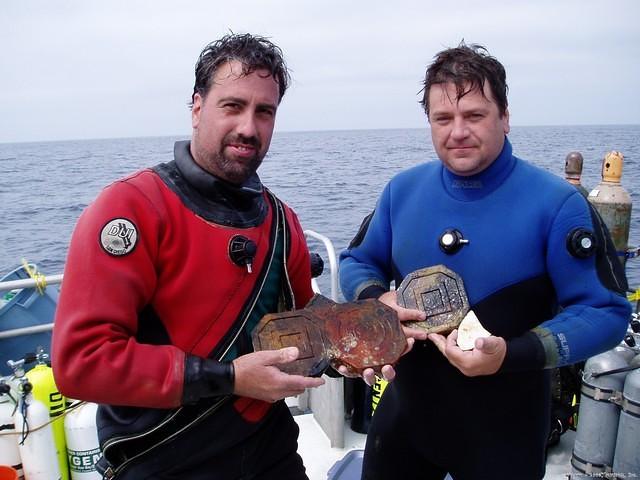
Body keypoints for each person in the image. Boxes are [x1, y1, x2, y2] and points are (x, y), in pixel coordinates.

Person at [339, 43, 631, 480]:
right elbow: (357, 260)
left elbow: (607, 311)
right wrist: (376, 298)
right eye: (443, 118)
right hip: (403, 419)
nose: (457, 131)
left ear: (505, 117)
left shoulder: (557, 205)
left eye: (473, 115)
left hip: (504, 431)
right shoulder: (402, 192)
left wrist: (512, 353)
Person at [52, 33, 325, 480]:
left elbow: (311, 324)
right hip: (163, 458)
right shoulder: (132, 209)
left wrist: (374, 325)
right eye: (232, 106)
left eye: (265, 111)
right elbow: (82, 362)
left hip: (270, 450)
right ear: (197, 108)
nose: (249, 128)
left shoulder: (281, 221)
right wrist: (232, 378)